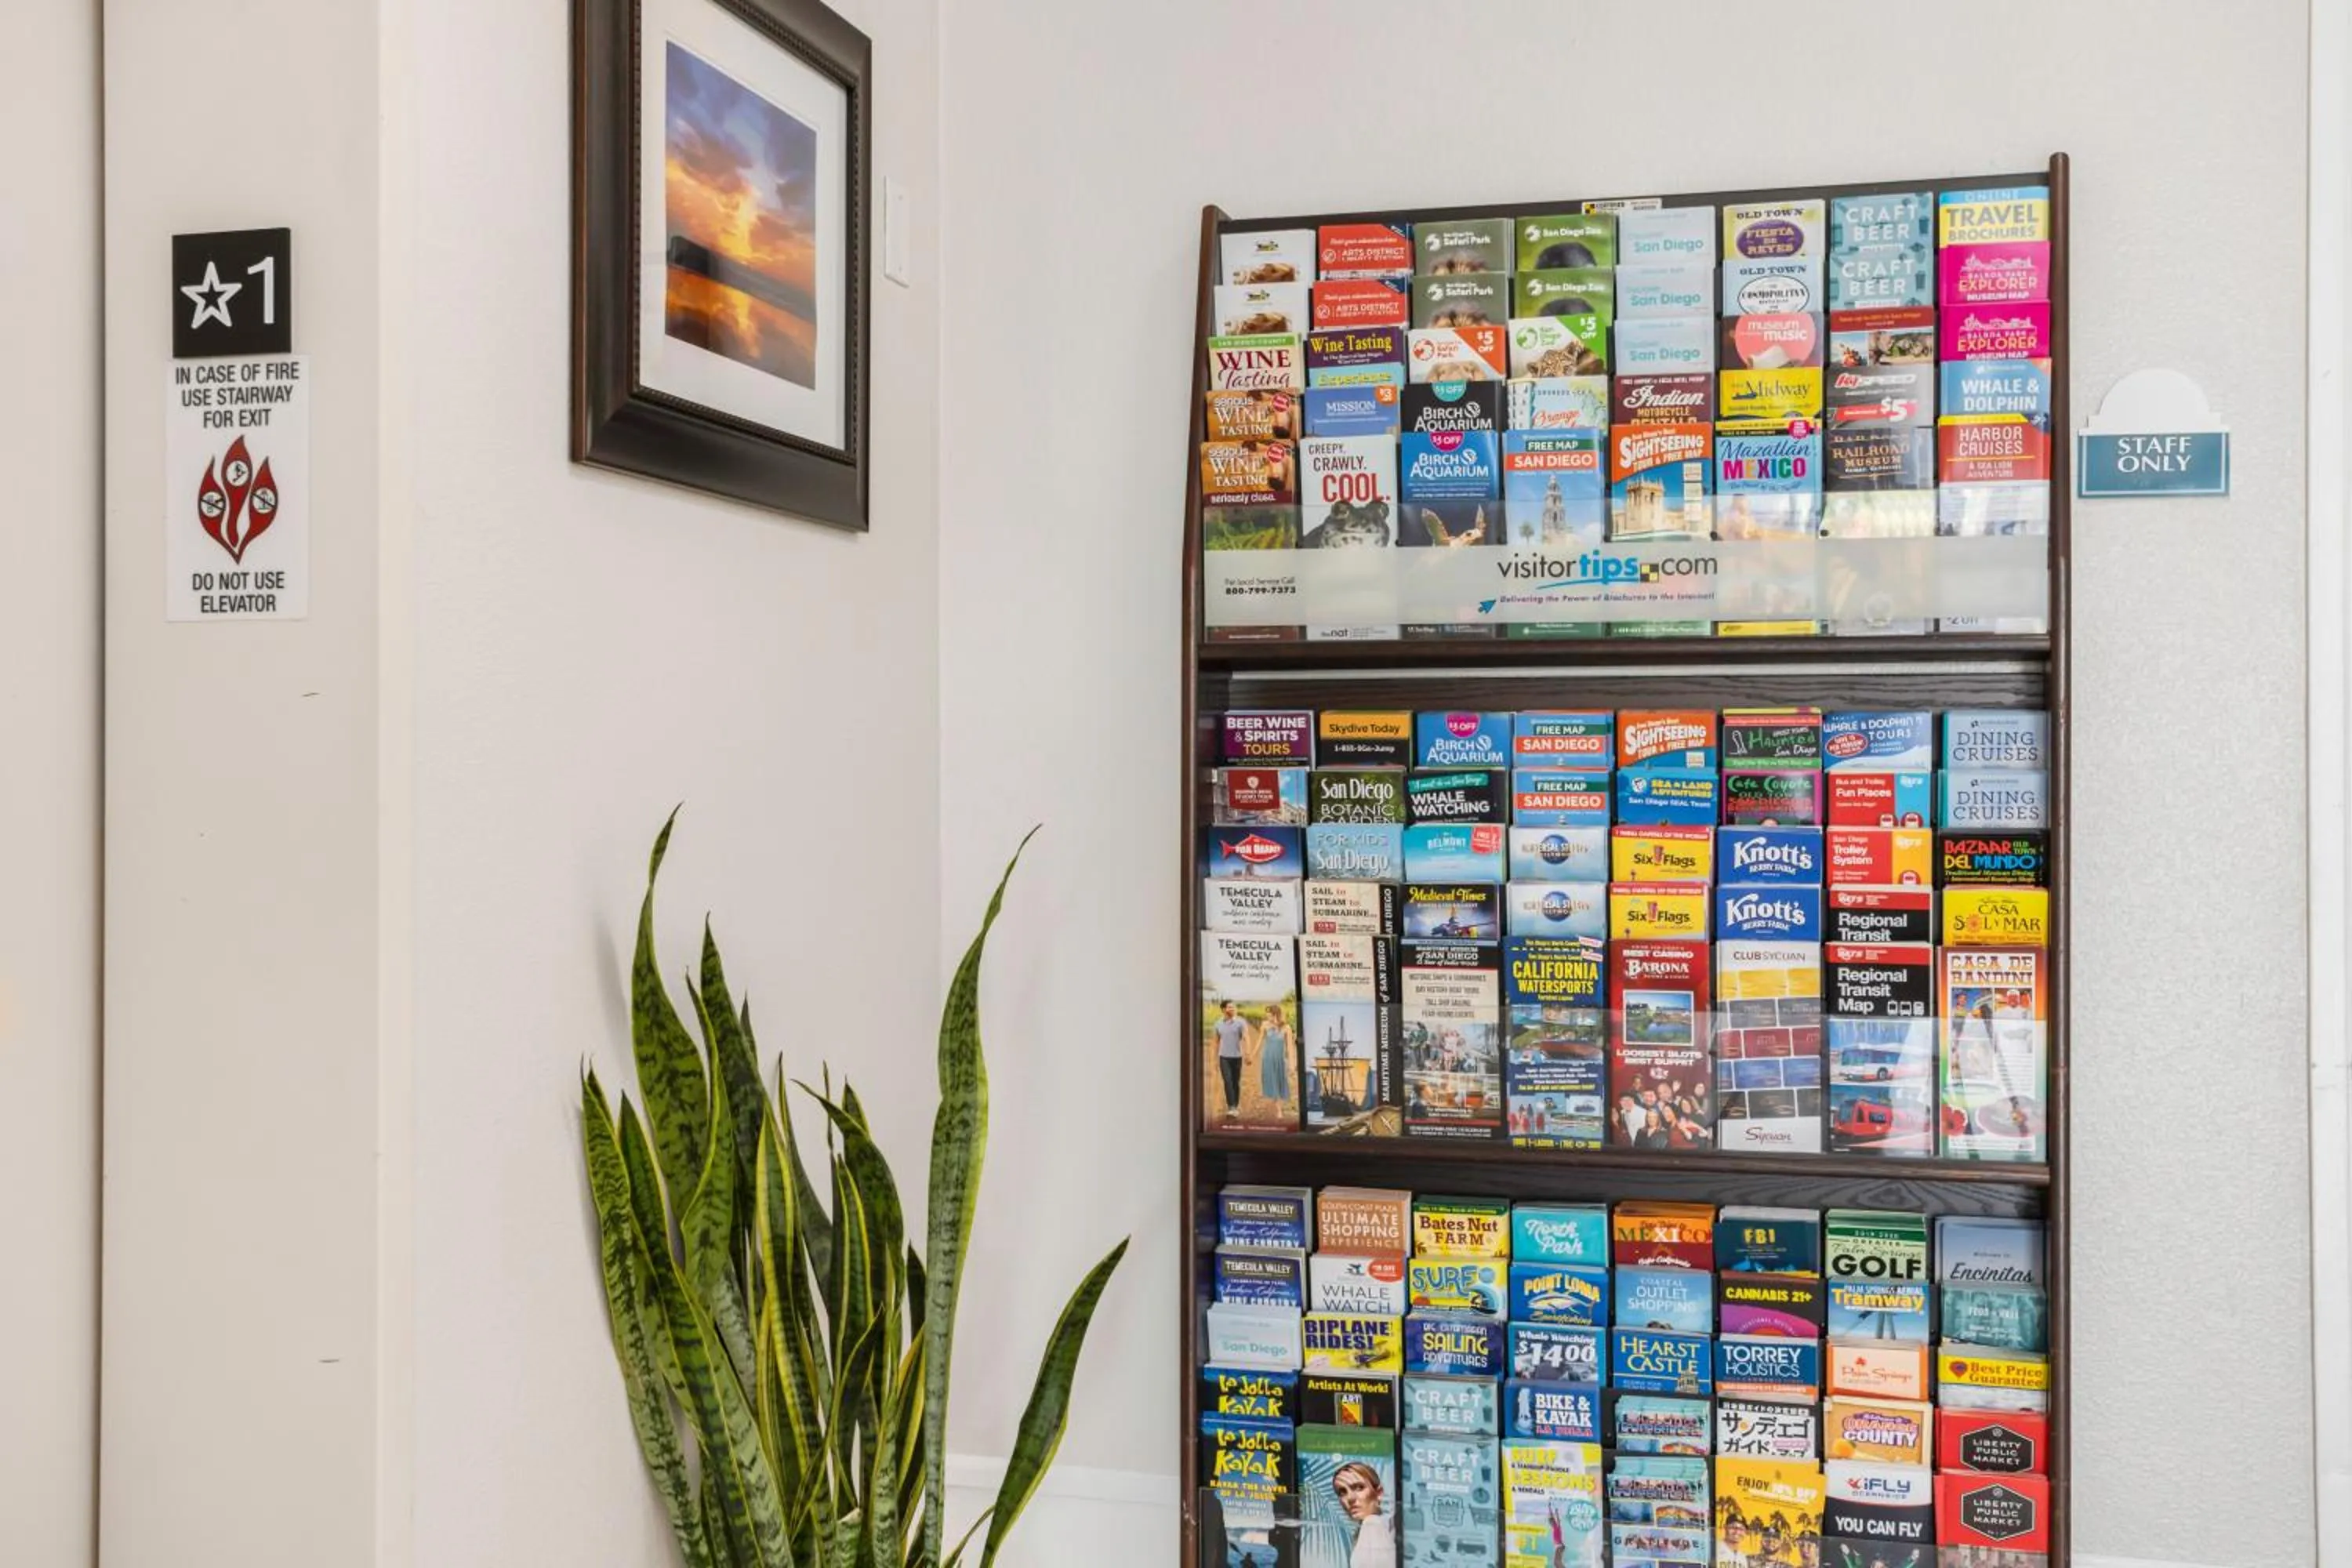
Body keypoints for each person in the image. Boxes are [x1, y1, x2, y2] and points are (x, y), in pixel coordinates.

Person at [1330, 1462, 1396, 1568]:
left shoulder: (1373, 1523)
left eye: (1359, 1488)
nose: (1350, 1498)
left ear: (1379, 1493)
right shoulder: (1370, 1528)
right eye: (1342, 1492)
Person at [1214, 1001, 1246, 1112]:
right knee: (1227, 1081)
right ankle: (1231, 1107)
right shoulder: (1218, 1024)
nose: (1232, 1009)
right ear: (1223, 1010)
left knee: (1235, 1082)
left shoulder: (1240, 1023)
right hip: (1224, 1057)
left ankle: (1235, 1105)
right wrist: (1214, 1059)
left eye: (1233, 1007)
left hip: (1237, 1057)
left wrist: (1249, 1054)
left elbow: (1246, 1038)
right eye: (1229, 1007)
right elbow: (1216, 1042)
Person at [1258, 1004, 1291, 1104]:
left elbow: (1290, 1047)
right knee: (1271, 1080)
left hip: (1279, 1059)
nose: (1268, 1017)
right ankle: (1278, 1109)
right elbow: (1259, 1042)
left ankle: (1276, 1098)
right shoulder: (1265, 1025)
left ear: (1276, 1015)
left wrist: (1292, 1064)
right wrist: (1251, 1055)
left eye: (1270, 1015)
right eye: (1267, 1015)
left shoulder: (1286, 1028)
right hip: (1267, 1058)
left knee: (1279, 1080)